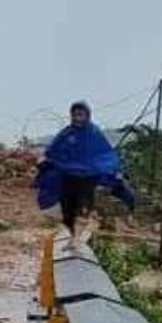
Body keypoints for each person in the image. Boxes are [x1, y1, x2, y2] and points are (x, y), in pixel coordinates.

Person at [33, 100, 134, 250]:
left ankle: (76, 239)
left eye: (81, 114)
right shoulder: (66, 134)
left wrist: (114, 170)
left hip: (87, 178)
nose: (77, 118)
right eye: (75, 115)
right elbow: (53, 152)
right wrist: (45, 161)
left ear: (87, 115)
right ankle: (73, 234)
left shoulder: (93, 134)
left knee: (83, 207)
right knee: (67, 210)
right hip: (68, 178)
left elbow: (105, 154)